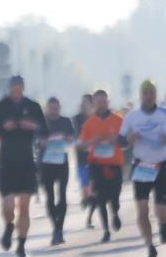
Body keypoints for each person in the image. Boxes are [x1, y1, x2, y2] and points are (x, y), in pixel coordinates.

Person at [0, 75, 48, 257]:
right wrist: (3, 127)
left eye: (19, 88)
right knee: (8, 205)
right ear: (9, 88)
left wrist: (32, 126)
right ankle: (9, 226)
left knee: (25, 207)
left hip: (27, 160)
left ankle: (21, 245)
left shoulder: (33, 106)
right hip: (7, 161)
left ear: (23, 88)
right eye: (13, 88)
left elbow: (45, 131)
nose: (16, 91)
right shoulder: (1, 106)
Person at [119, 81, 166, 257]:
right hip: (141, 166)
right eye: (145, 93)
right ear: (141, 95)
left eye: (151, 93)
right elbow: (120, 141)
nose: (148, 96)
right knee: (142, 210)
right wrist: (129, 140)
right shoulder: (132, 117)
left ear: (156, 95)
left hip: (163, 165)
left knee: (161, 210)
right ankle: (150, 247)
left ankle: (163, 224)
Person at [78, 89, 125, 243]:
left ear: (108, 102)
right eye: (98, 102)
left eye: (104, 102)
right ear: (94, 104)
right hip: (96, 165)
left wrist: (116, 140)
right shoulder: (89, 123)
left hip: (115, 164)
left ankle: (116, 213)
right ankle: (106, 230)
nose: (102, 105)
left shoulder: (118, 120)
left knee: (115, 195)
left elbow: (126, 142)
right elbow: (81, 146)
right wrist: (93, 142)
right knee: (100, 199)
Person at [38, 97, 75, 245]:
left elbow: (73, 138)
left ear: (59, 108)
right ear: (46, 108)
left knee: (62, 195)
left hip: (61, 162)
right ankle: (55, 227)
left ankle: (60, 228)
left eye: (56, 108)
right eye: (51, 108)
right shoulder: (41, 122)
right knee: (50, 197)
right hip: (46, 163)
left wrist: (67, 137)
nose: (53, 110)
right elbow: (37, 140)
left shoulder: (65, 121)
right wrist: (45, 141)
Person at [73, 94, 96, 228]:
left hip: (95, 159)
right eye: (82, 102)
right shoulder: (76, 119)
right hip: (81, 158)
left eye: (86, 102)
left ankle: (89, 218)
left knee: (94, 190)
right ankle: (85, 198)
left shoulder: (96, 118)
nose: (83, 105)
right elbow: (73, 136)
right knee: (85, 188)